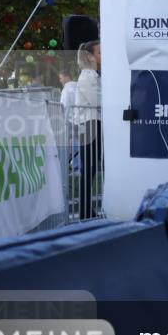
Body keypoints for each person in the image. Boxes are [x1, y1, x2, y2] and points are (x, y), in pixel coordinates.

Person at [76, 41, 102, 220]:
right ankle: (85, 211)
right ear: (90, 57)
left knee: (91, 169)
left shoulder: (93, 75)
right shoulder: (87, 77)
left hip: (93, 123)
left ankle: (87, 210)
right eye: (100, 52)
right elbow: (97, 101)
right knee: (88, 169)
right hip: (89, 124)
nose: (103, 56)